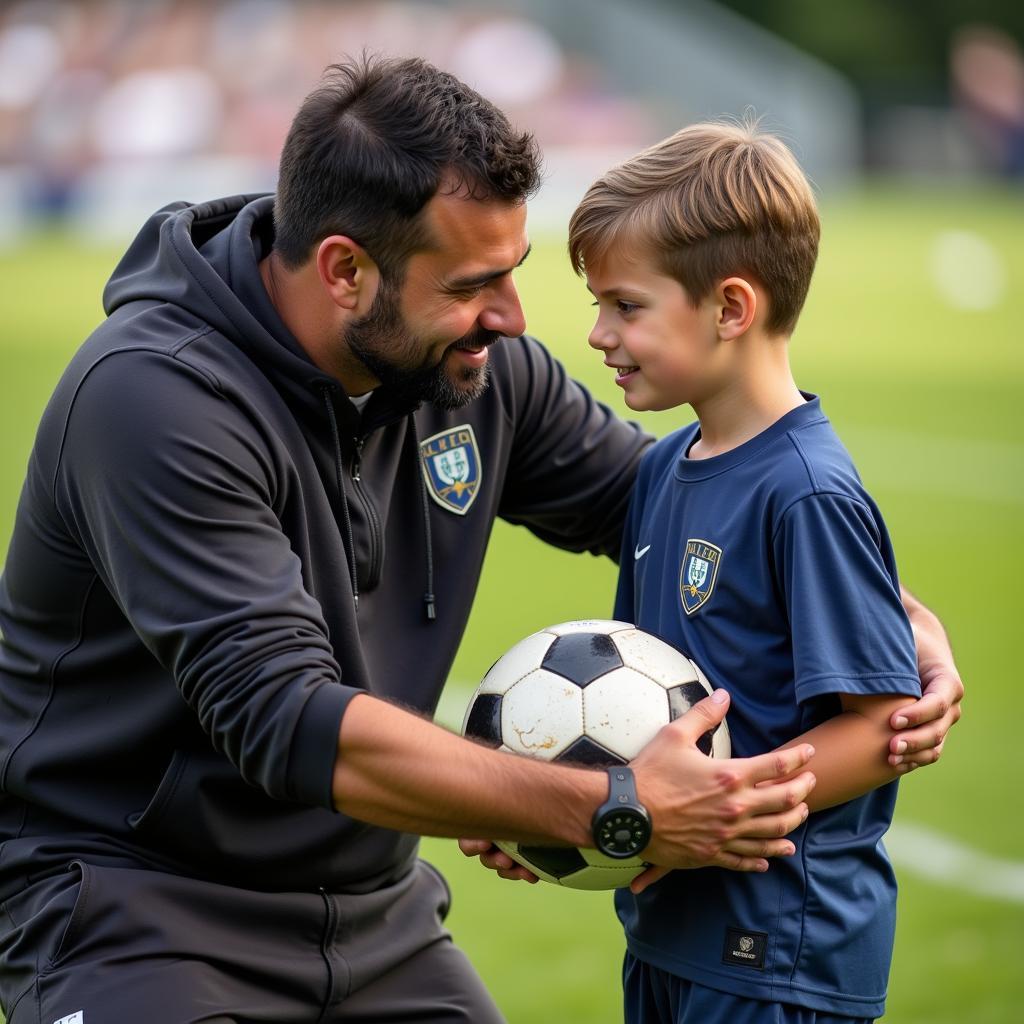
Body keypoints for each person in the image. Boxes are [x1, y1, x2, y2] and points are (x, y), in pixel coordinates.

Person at [0, 57, 959, 1024]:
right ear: (345, 270)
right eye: (474, 284)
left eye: (514, 272)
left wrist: (892, 618)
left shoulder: (477, 371)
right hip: (130, 910)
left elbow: (699, 510)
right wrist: (607, 805)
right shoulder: (151, 401)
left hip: (371, 917)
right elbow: (284, 719)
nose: (513, 319)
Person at [560, 120, 930, 1022]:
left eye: (627, 306)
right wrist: (560, 807)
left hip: (780, 945)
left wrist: (717, 805)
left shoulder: (805, 492)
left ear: (730, 308)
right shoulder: (658, 469)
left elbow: (883, 725)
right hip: (668, 921)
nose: (599, 333)